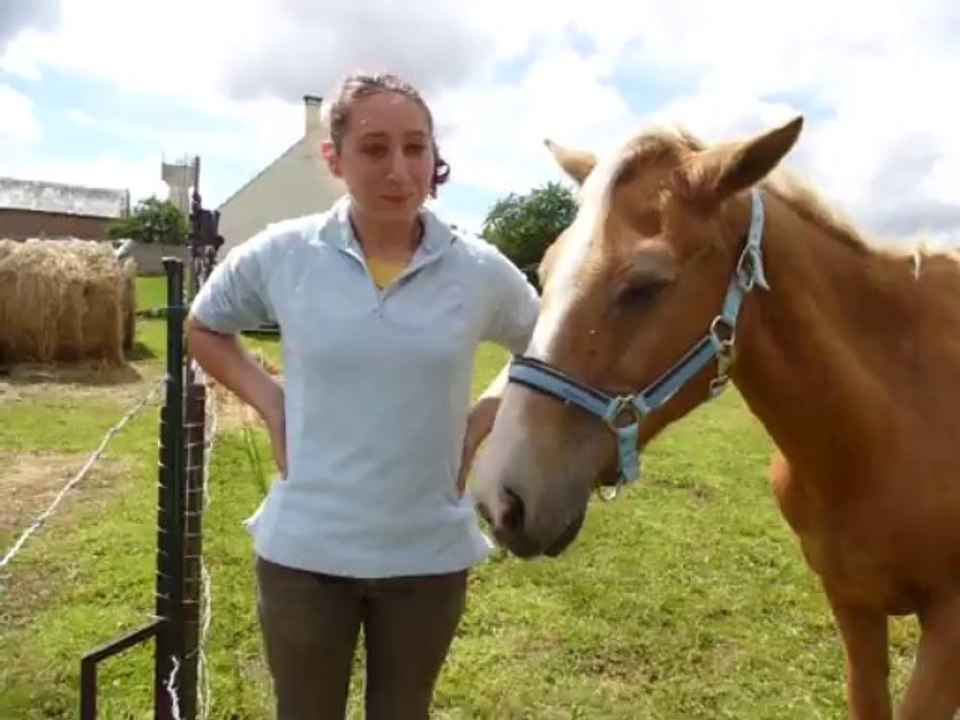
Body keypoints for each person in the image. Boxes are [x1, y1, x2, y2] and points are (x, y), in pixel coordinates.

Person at [186, 71, 540, 719]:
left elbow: (544, 350)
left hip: (426, 557)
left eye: (417, 148)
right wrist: (270, 401)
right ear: (335, 159)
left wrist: (486, 414)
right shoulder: (284, 255)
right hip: (305, 556)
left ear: (436, 157)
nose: (400, 170)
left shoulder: (481, 271)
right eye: (375, 149)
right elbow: (204, 327)